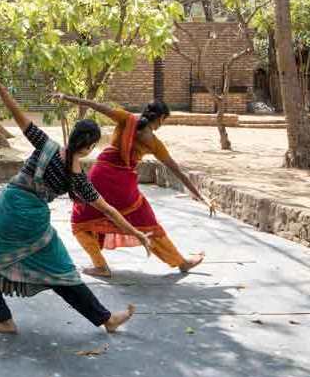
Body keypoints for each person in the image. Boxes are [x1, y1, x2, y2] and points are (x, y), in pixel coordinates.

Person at [0, 69, 146, 336]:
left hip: (8, 209)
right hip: (34, 223)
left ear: (73, 136)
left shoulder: (46, 146)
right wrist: (137, 233)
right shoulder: (79, 179)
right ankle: (106, 319)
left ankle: (4, 320)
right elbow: (108, 210)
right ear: (89, 147)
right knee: (61, 272)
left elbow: (18, 114)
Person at [54, 94, 207, 277]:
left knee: (80, 220)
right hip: (124, 188)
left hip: (99, 177)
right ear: (160, 119)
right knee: (149, 224)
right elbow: (177, 170)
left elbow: (95, 105)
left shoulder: (126, 119)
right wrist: (198, 194)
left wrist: (65, 97)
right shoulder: (154, 143)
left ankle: (100, 266)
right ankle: (181, 262)